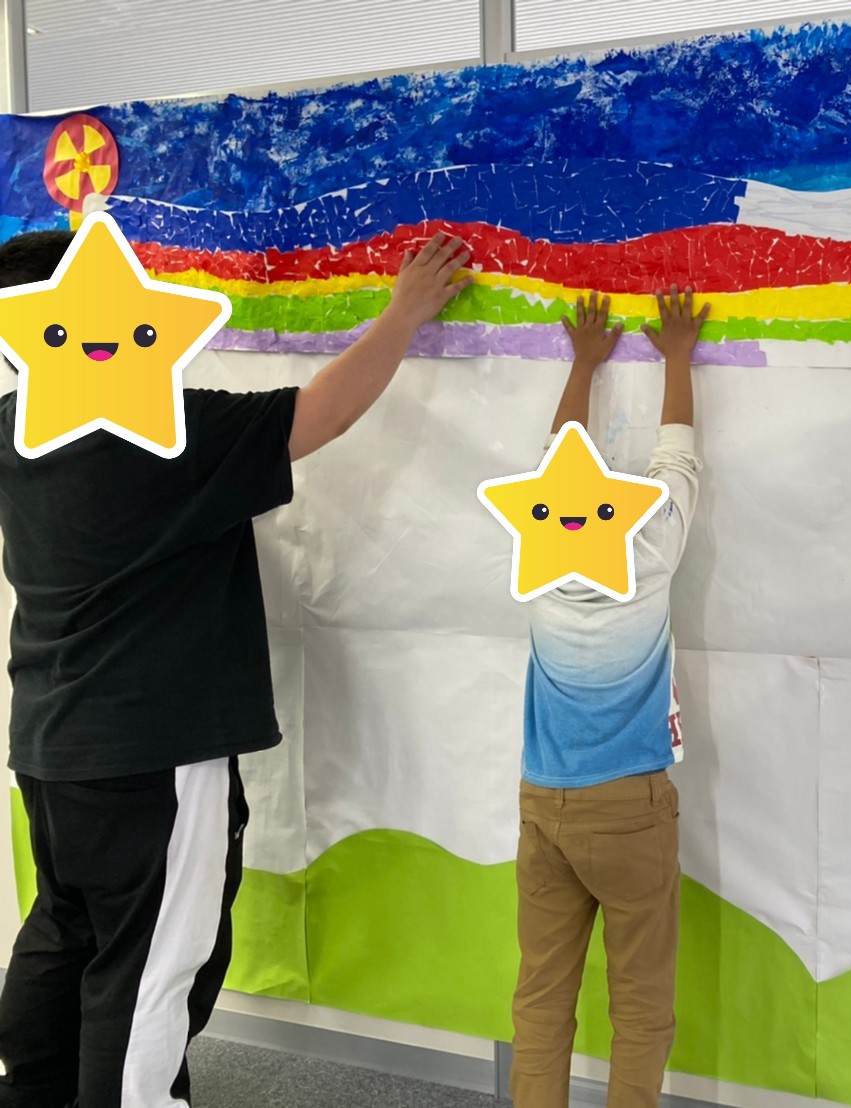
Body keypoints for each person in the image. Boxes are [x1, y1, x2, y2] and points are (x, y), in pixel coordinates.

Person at [0, 227, 471, 1107]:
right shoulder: (164, 437)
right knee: (152, 964)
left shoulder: (14, 434)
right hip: (153, 756)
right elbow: (322, 414)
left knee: (65, 927)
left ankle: (32, 1092)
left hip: (51, 747)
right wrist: (403, 315)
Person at [511, 288, 707, 1108]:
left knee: (541, 997)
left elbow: (551, 467)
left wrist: (584, 363)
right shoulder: (650, 553)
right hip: (631, 809)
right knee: (642, 1003)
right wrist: (677, 357)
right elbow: (678, 464)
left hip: (543, 804)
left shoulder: (534, 557)